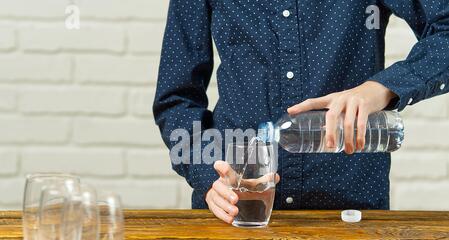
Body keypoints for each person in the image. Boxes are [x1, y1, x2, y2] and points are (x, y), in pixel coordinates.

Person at [153, 1, 449, 224]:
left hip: (349, 217)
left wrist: (382, 88)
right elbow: (176, 98)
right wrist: (208, 176)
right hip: (236, 214)